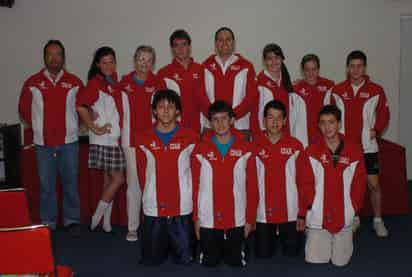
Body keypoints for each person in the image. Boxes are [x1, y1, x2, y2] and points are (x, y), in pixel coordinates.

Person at [18, 40, 83, 236]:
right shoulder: (32, 82)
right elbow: (24, 110)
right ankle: (49, 222)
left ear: (63, 58)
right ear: (44, 57)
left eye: (58, 54)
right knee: (47, 186)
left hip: (69, 142)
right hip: (43, 144)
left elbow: (83, 109)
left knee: (71, 182)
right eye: (50, 54)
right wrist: (39, 127)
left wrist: (72, 127)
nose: (54, 58)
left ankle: (72, 220)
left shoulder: (74, 82)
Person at [329, 50, 390, 237]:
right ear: (347, 68)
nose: (356, 70)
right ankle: (353, 218)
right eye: (352, 66)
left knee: (373, 185)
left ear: (364, 68)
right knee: (347, 185)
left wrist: (377, 129)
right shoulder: (338, 90)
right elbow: (330, 116)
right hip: (345, 147)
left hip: (368, 147)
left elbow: (385, 114)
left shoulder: (376, 90)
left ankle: (378, 220)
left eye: (359, 66)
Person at [192, 100, 258, 267]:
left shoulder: (247, 148)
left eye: (224, 118)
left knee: (235, 263)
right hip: (208, 217)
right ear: (210, 122)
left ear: (232, 120)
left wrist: (250, 219)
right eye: (215, 119)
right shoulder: (200, 149)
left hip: (237, 218)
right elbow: (195, 186)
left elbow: (252, 187)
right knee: (210, 263)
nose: (220, 123)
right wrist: (196, 219)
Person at [136, 89, 198, 265]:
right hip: (153, 207)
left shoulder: (191, 137)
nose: (165, 111)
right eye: (160, 107)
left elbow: (195, 172)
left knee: (185, 261)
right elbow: (142, 173)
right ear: (154, 111)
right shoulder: (142, 138)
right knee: (152, 262)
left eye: (170, 107)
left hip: (182, 207)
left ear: (177, 111)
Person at [301, 104, 366, 266]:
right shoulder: (311, 151)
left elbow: (359, 183)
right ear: (318, 126)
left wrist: (353, 208)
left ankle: (348, 230)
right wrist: (309, 208)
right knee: (316, 261)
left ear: (339, 124)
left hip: (344, 213)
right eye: (323, 123)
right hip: (318, 216)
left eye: (331, 122)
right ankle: (313, 233)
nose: (327, 127)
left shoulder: (354, 150)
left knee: (340, 262)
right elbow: (305, 183)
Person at [253, 100, 312, 258]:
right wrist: (250, 215)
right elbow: (248, 184)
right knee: (263, 255)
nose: (275, 122)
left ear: (285, 121)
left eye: (279, 118)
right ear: (264, 120)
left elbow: (304, 182)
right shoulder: (253, 146)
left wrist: (302, 214)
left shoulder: (295, 146)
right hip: (263, 213)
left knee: (292, 254)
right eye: (270, 118)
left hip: (291, 212)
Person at [76, 46, 125, 233]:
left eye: (111, 61)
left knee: (108, 181)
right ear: (97, 64)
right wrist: (95, 127)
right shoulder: (95, 83)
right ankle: (97, 216)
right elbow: (80, 105)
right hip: (104, 139)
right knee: (118, 179)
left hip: (114, 138)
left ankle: (106, 222)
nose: (108, 65)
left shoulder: (114, 81)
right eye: (104, 62)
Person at [119, 45, 165, 242]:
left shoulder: (159, 82)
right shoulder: (124, 82)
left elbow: (166, 111)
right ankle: (132, 227)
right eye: (140, 59)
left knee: (153, 183)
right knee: (133, 185)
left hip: (153, 142)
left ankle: (153, 224)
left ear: (152, 62)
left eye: (148, 60)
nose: (144, 63)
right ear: (134, 60)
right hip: (130, 141)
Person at [203, 27, 257, 131]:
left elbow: (252, 97)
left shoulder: (246, 66)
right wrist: (215, 118)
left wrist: (233, 116)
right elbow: (201, 96)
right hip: (211, 127)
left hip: (239, 126)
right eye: (220, 40)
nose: (224, 43)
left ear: (234, 43)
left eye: (228, 39)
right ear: (215, 43)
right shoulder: (205, 65)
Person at [157, 29, 210, 133]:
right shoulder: (164, 73)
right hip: (174, 131)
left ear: (189, 47)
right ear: (172, 49)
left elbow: (207, 99)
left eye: (184, 44)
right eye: (176, 45)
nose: (180, 49)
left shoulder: (201, 69)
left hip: (199, 130)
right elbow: (160, 106)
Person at [251, 43, 294, 138]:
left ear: (282, 59)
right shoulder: (258, 83)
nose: (274, 61)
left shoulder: (288, 83)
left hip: (286, 137)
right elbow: (254, 116)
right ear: (264, 61)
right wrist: (258, 137)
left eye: (277, 57)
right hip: (265, 138)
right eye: (270, 58)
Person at [292, 54, 335, 147]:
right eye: (307, 69)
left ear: (318, 69)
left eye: (314, 69)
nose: (311, 73)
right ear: (303, 71)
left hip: (324, 137)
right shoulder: (295, 89)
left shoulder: (329, 86)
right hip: (303, 139)